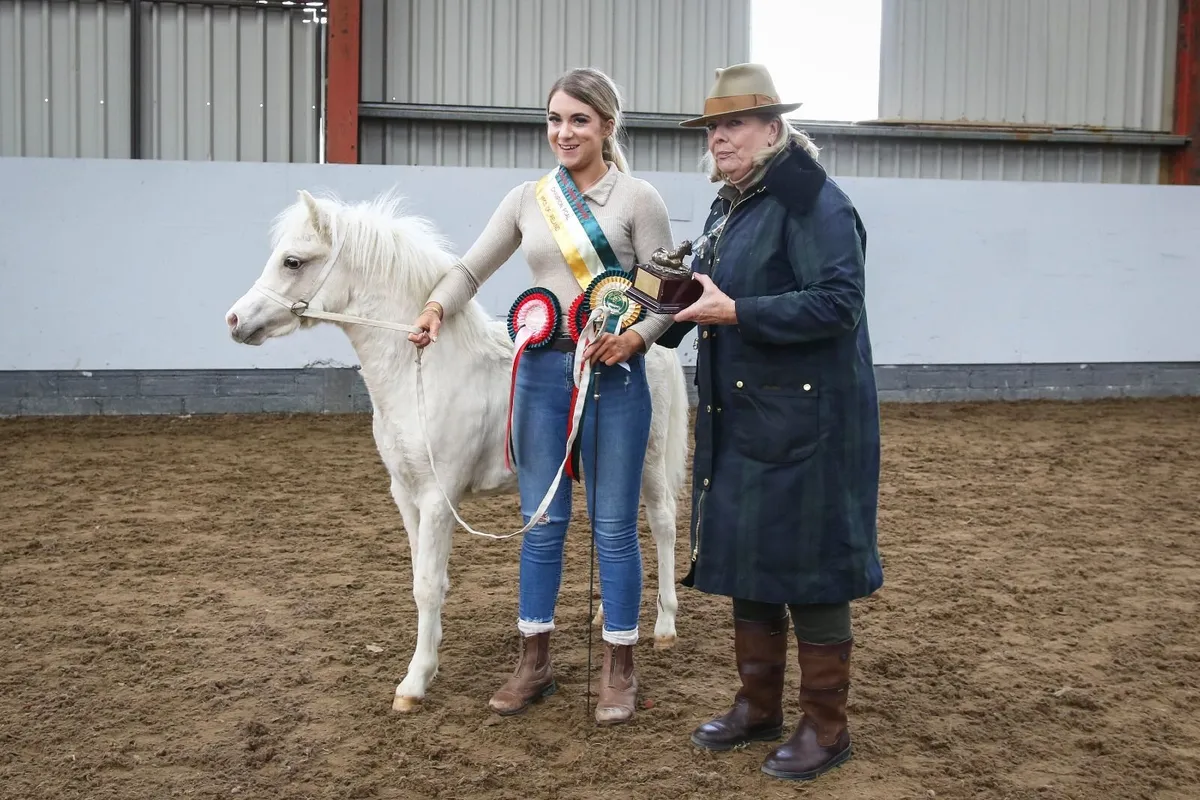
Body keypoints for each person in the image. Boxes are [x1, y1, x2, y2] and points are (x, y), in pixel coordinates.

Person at [407, 67, 677, 726]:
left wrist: (636, 340)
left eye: (579, 120)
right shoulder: (529, 199)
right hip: (538, 377)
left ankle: (620, 667)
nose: (564, 132)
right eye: (555, 119)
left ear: (607, 125)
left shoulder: (638, 199)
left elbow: (667, 290)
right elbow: (471, 268)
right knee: (541, 526)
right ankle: (535, 662)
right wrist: (438, 306)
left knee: (614, 528)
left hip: (614, 377)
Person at [665, 63, 883, 781]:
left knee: (813, 568)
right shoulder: (730, 204)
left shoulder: (811, 200)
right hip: (747, 414)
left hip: (811, 422)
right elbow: (712, 288)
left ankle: (827, 726)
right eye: (712, 127)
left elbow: (837, 303)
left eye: (732, 124)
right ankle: (757, 706)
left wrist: (738, 312)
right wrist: (658, 308)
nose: (718, 137)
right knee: (749, 556)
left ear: (771, 129)